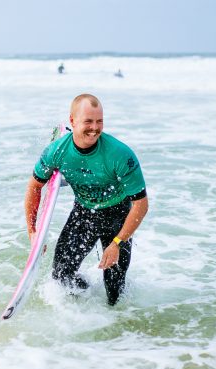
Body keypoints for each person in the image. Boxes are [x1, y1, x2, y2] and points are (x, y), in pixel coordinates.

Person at [25, 94, 148, 305]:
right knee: (61, 276)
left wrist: (117, 243)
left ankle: (118, 332)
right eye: (88, 121)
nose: (95, 128)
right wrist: (32, 231)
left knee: (114, 293)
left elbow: (141, 205)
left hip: (118, 215)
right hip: (84, 212)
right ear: (72, 121)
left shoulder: (120, 154)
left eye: (99, 121)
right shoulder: (57, 152)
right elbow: (35, 187)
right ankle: (85, 299)